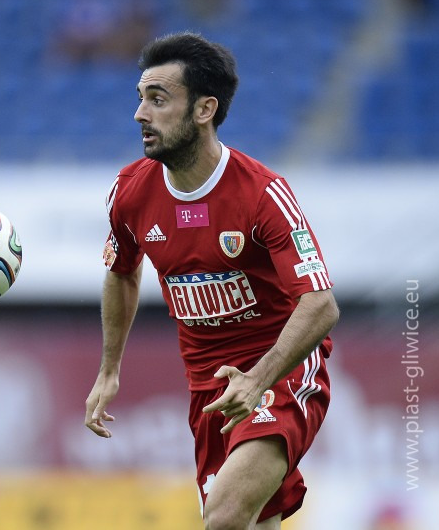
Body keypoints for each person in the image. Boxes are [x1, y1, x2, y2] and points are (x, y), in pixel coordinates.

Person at [85, 32, 339, 530]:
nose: (139, 114)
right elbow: (122, 272)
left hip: (280, 374)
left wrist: (257, 380)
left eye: (158, 100)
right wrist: (108, 370)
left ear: (205, 109)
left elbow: (321, 304)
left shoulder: (263, 193)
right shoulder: (129, 192)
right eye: (140, 98)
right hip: (208, 389)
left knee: (222, 518)